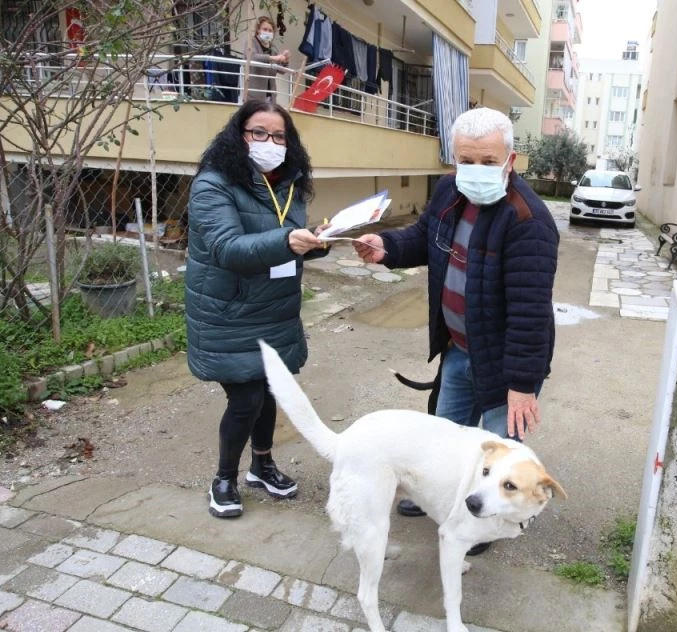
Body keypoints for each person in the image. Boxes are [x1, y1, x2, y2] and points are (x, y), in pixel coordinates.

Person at [353, 107, 559, 553]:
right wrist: (386, 247)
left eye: (489, 161)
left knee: (500, 454)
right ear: (454, 159)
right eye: (467, 159)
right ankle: (438, 497)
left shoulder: (529, 221)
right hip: (460, 348)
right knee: (444, 439)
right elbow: (425, 237)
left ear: (511, 160)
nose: (476, 170)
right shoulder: (449, 191)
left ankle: (484, 522)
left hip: (507, 363)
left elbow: (529, 311)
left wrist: (522, 385)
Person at [185, 100, 329, 518]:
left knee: (270, 390)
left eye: (280, 135)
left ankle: (262, 465)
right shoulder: (213, 184)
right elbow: (227, 248)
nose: (271, 142)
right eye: (259, 132)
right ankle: (224, 478)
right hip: (230, 311)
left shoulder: (289, 184)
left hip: (275, 311)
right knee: (246, 397)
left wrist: (317, 240)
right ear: (239, 135)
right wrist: (288, 241)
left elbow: (289, 243)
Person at [246, 15, 289, 103]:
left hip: (270, 95)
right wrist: (273, 58)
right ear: (258, 30)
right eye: (265, 29)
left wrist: (285, 61)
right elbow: (252, 57)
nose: (267, 32)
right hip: (253, 95)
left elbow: (282, 70)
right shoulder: (251, 42)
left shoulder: (273, 48)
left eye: (270, 30)